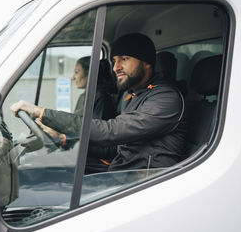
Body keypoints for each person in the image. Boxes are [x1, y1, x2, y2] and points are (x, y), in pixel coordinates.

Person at [12, 33, 187, 172]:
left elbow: (111, 132)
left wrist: (41, 113)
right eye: (114, 60)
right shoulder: (134, 95)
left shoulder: (166, 99)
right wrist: (65, 139)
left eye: (124, 59)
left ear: (146, 62)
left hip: (147, 183)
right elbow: (116, 147)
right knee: (42, 172)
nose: (116, 67)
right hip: (121, 172)